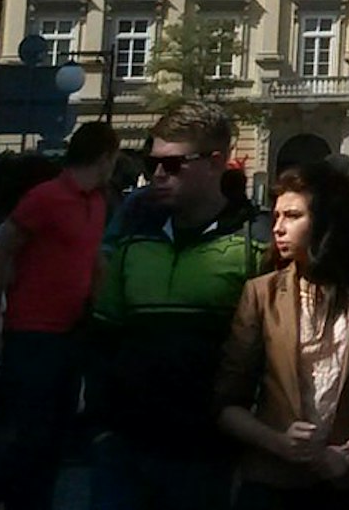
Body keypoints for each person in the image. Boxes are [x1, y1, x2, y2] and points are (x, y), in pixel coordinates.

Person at [91, 101, 265, 510]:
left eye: (173, 165)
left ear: (215, 163)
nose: (156, 176)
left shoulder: (255, 247)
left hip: (207, 454)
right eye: (152, 164)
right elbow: (103, 334)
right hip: (126, 446)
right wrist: (102, 427)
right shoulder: (135, 239)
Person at [213, 160, 349, 502]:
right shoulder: (262, 294)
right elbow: (227, 403)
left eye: (292, 216)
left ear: (327, 222)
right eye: (276, 216)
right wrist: (277, 441)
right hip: (272, 481)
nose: (277, 227)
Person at [0, 120, 115, 510]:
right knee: (30, 440)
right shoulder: (46, 197)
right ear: (105, 157)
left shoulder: (96, 202)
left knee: (54, 439)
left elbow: (90, 263)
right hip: (32, 334)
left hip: (71, 333)